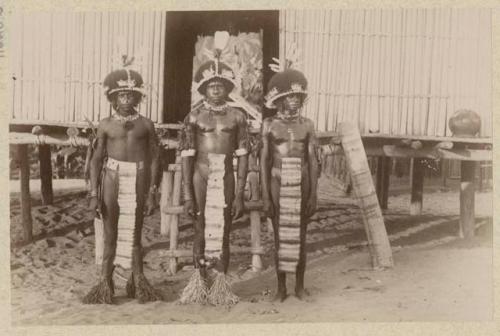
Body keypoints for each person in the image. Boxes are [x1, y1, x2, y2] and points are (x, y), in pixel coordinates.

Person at [82, 64, 161, 304]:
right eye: (121, 95)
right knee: (110, 233)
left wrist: (152, 192)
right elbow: (96, 160)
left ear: (137, 98)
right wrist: (93, 193)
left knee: (135, 234)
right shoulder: (105, 124)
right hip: (112, 179)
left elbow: (156, 159)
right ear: (114, 98)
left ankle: (138, 283)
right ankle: (106, 284)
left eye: (130, 95)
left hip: (138, 177)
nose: (126, 99)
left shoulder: (146, 125)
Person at [178, 54, 249, 306]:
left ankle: (220, 283)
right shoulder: (193, 117)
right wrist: (187, 194)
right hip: (201, 175)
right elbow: (186, 157)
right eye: (211, 85)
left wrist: (240, 193)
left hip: (226, 176)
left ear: (228, 88)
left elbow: (242, 157)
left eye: (220, 85)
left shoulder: (238, 117)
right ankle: (200, 282)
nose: (216, 90)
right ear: (204, 88)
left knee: (224, 231)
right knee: (200, 227)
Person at [260, 67, 318, 302]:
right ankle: (281, 288)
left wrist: (314, 194)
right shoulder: (269, 125)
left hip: (302, 182)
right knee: (280, 238)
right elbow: (263, 160)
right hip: (277, 182)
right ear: (281, 99)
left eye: (298, 97)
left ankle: (300, 287)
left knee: (301, 237)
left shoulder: (308, 125)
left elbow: (313, 161)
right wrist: (265, 195)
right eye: (290, 97)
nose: (295, 101)